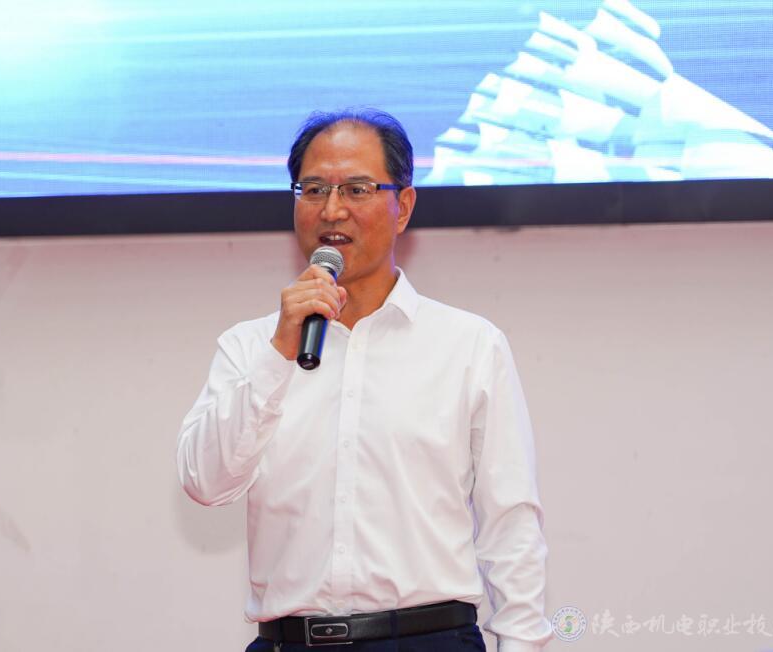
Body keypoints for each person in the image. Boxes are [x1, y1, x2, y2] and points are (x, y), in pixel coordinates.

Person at [177, 109, 552, 651]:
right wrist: (278, 354)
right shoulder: (250, 347)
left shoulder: (469, 345)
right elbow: (205, 483)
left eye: (356, 189)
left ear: (404, 207)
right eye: (313, 190)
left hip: (428, 640)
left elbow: (510, 523)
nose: (332, 209)